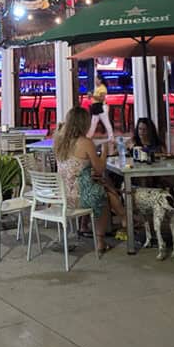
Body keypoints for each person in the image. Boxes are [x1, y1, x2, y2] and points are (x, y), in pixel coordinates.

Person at [54, 106, 126, 252]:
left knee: (105, 187)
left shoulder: (59, 141)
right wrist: (105, 152)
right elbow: (99, 169)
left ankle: (124, 219)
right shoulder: (85, 142)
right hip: (79, 196)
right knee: (104, 195)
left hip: (61, 195)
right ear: (83, 124)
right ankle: (102, 238)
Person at [87, 74, 113, 141]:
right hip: (96, 107)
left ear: (100, 80)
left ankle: (111, 137)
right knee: (93, 122)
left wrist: (92, 95)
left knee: (106, 122)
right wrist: (91, 96)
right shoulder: (97, 88)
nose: (95, 80)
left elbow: (102, 99)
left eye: (96, 79)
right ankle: (89, 136)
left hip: (101, 107)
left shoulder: (102, 88)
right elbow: (95, 98)